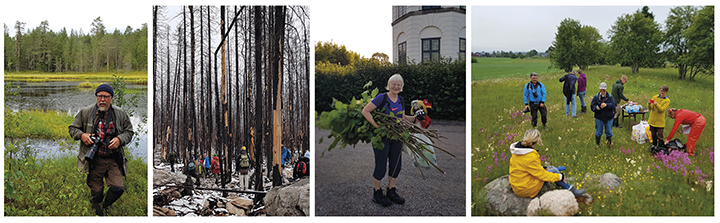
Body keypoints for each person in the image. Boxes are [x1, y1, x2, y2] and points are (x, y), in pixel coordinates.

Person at [68, 84, 134, 216]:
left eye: (106, 96)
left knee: (117, 188)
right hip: (93, 159)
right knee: (96, 192)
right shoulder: (86, 112)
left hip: (113, 159)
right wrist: (82, 135)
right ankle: (97, 207)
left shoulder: (120, 114)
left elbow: (129, 131)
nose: (102, 99)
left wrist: (120, 139)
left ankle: (105, 205)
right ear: (96, 97)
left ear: (111, 98)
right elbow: (72, 129)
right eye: (100, 96)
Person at [361, 74, 419, 207]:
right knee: (381, 167)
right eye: (394, 84)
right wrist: (376, 125)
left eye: (399, 84)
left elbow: (403, 118)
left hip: (396, 137)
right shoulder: (382, 97)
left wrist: (416, 117)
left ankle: (391, 191)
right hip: (382, 138)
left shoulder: (401, 100)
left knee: (396, 166)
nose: (396, 86)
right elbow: (365, 111)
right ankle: (377, 193)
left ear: (401, 86)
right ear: (389, 85)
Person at [509, 129, 585, 198]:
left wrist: (543, 168)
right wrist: (560, 177)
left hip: (518, 186)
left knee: (551, 168)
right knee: (554, 170)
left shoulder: (517, 151)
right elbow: (542, 175)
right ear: (537, 140)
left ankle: (562, 185)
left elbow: (526, 167)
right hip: (526, 189)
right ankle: (570, 190)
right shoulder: (530, 156)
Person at [591, 82, 616, 149]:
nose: (602, 92)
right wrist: (596, 108)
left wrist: (606, 105)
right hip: (599, 117)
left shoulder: (610, 97)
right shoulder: (596, 97)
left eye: (604, 90)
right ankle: (597, 144)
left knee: (609, 132)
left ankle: (608, 145)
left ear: (606, 89)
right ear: (599, 89)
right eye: (601, 90)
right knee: (598, 132)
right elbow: (592, 106)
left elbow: (613, 106)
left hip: (609, 118)